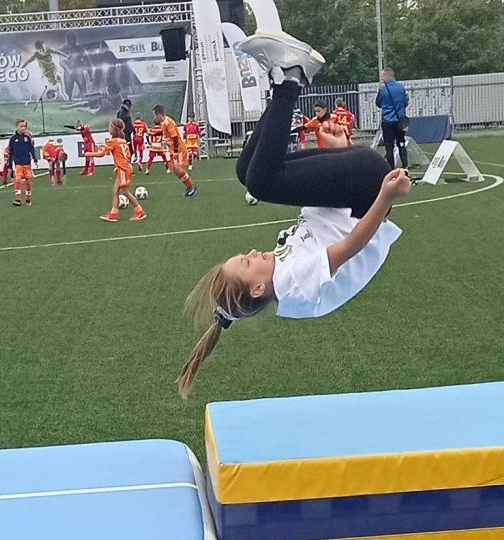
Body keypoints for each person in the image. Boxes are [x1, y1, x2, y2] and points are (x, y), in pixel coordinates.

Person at [177, 76, 409, 397]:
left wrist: (340, 153)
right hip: (368, 189)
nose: (254, 252)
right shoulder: (293, 286)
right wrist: (386, 197)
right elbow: (350, 246)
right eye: (247, 262)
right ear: (258, 288)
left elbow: (326, 223)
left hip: (352, 188)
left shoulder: (280, 271)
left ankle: (281, 82)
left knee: (248, 172)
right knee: (261, 182)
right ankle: (288, 80)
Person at [93, 118, 146, 223]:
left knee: (125, 191)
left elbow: (101, 154)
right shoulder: (123, 140)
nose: (109, 128)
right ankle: (113, 213)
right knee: (115, 191)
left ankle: (139, 211)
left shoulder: (113, 141)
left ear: (113, 128)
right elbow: (127, 156)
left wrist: (89, 154)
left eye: (110, 126)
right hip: (124, 168)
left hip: (123, 169)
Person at [152, 105, 196, 196]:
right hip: (172, 149)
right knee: (175, 170)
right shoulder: (163, 123)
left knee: (177, 168)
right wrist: (154, 133)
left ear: (159, 114)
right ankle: (189, 186)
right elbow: (165, 133)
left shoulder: (168, 122)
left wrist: (176, 151)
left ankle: (190, 186)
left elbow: (175, 137)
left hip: (179, 149)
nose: (154, 118)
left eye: (155, 115)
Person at [378, 64, 409, 170]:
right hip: (400, 121)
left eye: (382, 76)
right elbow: (405, 103)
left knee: (389, 146)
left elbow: (378, 103)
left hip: (387, 121)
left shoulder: (383, 89)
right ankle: (405, 166)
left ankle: (391, 168)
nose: (382, 79)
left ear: (387, 76)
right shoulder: (401, 88)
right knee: (401, 143)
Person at [7, 119, 37, 206]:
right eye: (21, 126)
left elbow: (31, 149)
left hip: (27, 163)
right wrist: (10, 166)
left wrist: (35, 159)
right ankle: (18, 199)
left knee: (28, 180)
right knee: (18, 180)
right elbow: (10, 153)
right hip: (18, 164)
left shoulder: (27, 138)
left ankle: (28, 199)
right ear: (17, 127)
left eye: (24, 126)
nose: (23, 128)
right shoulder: (13, 139)